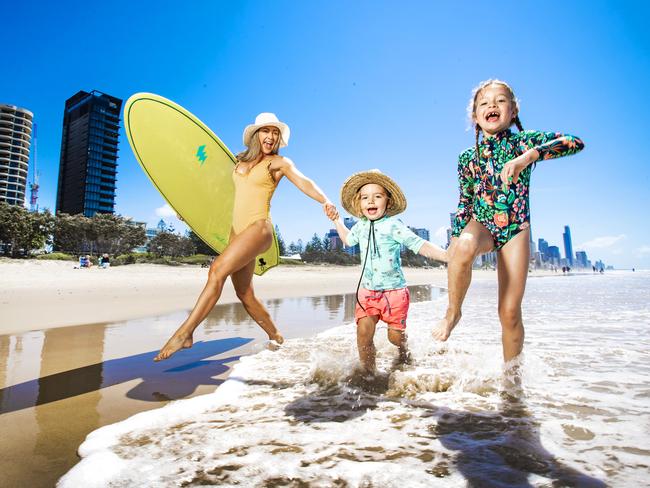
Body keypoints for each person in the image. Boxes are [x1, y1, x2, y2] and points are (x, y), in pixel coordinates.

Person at [155, 113, 337, 361]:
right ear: (255, 135)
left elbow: (305, 182)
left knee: (217, 270)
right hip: (237, 232)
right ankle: (277, 337)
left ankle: (185, 333)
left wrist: (324, 201)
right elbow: (214, 192)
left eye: (275, 133)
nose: (271, 137)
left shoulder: (278, 163)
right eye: (266, 131)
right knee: (245, 294)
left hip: (259, 228)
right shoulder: (237, 163)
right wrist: (188, 211)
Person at [433, 79, 584, 362]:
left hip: (515, 229)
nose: (492, 105)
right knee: (464, 246)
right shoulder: (467, 158)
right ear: (475, 116)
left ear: (513, 111)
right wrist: (455, 240)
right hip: (483, 224)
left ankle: (512, 379)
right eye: (484, 103)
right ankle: (453, 311)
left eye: (500, 100)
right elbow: (465, 202)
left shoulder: (522, 143)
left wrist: (529, 156)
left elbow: (574, 142)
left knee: (509, 312)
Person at [332, 170, 448, 374]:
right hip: (367, 292)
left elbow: (418, 244)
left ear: (388, 201)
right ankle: (369, 374)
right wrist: (336, 221)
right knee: (363, 333)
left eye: (377, 196)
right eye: (365, 197)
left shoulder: (393, 225)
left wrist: (447, 256)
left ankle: (404, 349)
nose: (371, 201)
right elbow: (348, 240)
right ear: (359, 203)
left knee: (394, 337)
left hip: (394, 292)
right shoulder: (360, 226)